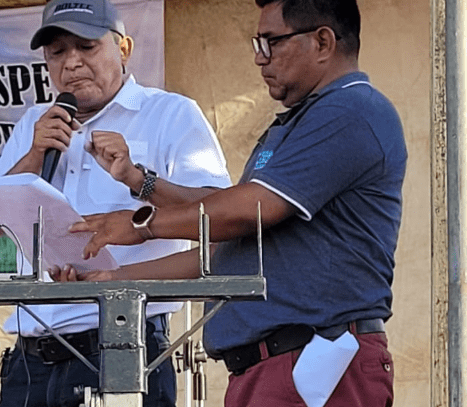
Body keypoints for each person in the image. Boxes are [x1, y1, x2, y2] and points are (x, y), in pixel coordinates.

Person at [57, 0, 407, 406]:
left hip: (317, 363)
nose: (260, 58)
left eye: (271, 42)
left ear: (323, 42)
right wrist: (114, 278)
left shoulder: (351, 109)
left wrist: (142, 225)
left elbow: (246, 210)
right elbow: (224, 249)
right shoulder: (298, 122)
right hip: (270, 367)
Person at [0, 0, 231, 406]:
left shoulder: (169, 113)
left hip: (123, 346)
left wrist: (138, 179)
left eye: (86, 46)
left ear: (124, 49)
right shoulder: (34, 123)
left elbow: (220, 214)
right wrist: (33, 156)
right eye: (57, 52)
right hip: (30, 359)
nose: (72, 63)